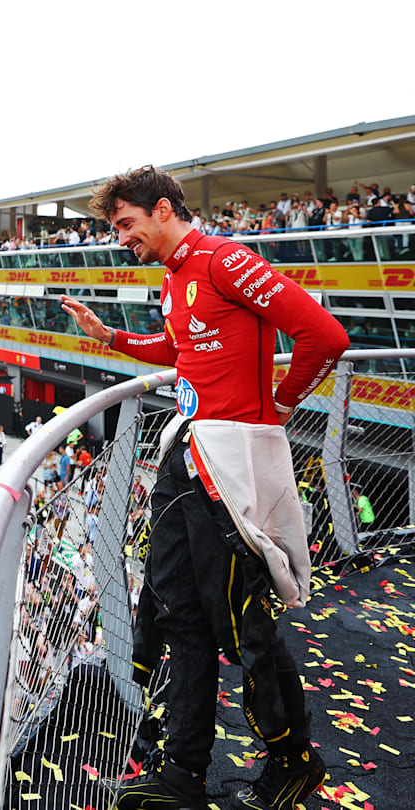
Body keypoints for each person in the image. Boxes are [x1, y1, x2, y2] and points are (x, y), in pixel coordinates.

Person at [62, 165, 348, 810]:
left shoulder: (225, 260)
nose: (121, 239)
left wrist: (279, 404)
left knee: (240, 624)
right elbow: (176, 349)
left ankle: (295, 760)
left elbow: (325, 335)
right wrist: (109, 337)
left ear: (163, 210)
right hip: (183, 464)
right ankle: (182, 775)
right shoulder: (174, 278)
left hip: (225, 471)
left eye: (126, 225)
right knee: (176, 616)